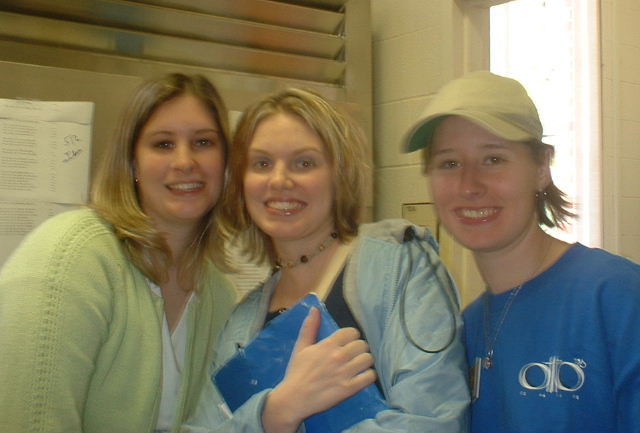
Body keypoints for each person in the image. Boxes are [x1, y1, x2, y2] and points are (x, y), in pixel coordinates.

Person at [186, 88, 470, 433]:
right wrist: (275, 413)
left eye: (304, 163)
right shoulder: (241, 322)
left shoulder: (401, 268)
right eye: (262, 163)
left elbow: (431, 421)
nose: (279, 180)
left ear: (340, 175)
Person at [404, 70, 640, 433]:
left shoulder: (617, 297)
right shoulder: (463, 329)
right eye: (449, 163)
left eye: (493, 159)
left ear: (541, 167)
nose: (469, 186)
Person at [0, 73, 237, 433]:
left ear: (226, 162)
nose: (185, 161)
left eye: (203, 142)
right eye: (163, 144)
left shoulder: (219, 294)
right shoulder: (72, 256)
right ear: (133, 163)